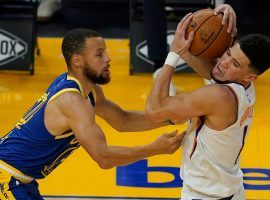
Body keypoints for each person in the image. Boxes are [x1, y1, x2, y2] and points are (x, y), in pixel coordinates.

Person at [0, 28, 185, 200]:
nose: (107, 58)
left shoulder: (88, 89)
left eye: (106, 52)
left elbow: (123, 120)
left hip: (22, 179)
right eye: (99, 54)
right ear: (77, 61)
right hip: (7, 177)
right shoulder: (72, 101)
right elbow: (103, 157)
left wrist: (169, 118)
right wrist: (155, 148)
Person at [145, 5, 270, 200]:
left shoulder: (219, 96)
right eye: (228, 53)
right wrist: (222, 15)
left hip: (206, 196)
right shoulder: (243, 86)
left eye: (235, 64)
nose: (224, 62)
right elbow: (195, 56)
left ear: (249, 77)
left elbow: (154, 110)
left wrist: (171, 58)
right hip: (230, 191)